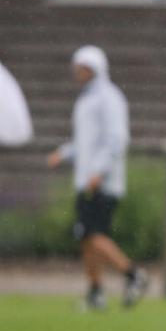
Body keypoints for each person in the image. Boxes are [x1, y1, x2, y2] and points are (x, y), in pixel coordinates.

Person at [47, 45, 148, 310]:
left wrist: (99, 171)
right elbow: (85, 142)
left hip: (102, 182)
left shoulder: (108, 98)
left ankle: (133, 274)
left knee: (93, 234)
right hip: (87, 179)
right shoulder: (87, 99)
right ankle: (95, 292)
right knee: (86, 236)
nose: (77, 72)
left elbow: (116, 139)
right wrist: (63, 153)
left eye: (81, 67)